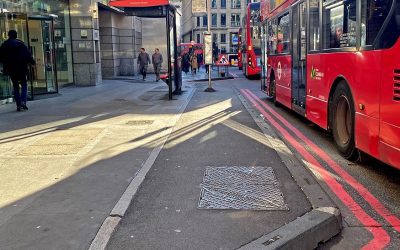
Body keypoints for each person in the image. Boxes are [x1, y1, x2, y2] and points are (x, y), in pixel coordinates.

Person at [0, 30, 35, 112]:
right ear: (16, 35)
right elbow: (28, 55)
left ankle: (18, 105)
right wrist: (32, 62)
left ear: (8, 35)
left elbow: (1, 57)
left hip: (11, 69)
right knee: (24, 84)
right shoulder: (21, 44)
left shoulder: (4, 45)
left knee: (15, 86)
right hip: (22, 68)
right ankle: (23, 101)